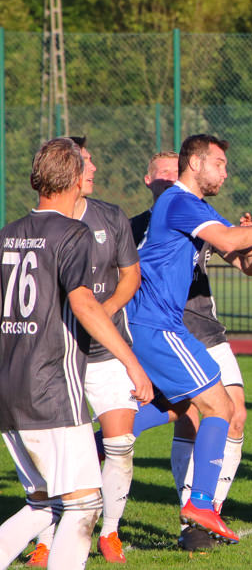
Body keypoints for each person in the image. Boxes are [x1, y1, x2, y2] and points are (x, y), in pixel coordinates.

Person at [125, 134, 252, 544]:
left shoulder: (192, 205)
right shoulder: (180, 201)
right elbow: (232, 240)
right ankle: (200, 504)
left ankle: (99, 440)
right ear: (196, 164)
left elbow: (240, 250)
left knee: (179, 405)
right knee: (219, 404)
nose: (225, 171)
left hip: (165, 326)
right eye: (219, 163)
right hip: (157, 325)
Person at [0, 138, 153, 570]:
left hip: (9, 389)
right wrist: (132, 362)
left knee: (45, 504)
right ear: (72, 179)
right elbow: (84, 303)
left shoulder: (7, 234)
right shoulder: (72, 233)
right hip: (51, 389)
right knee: (85, 504)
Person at [128, 151, 252, 551]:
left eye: (174, 171)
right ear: (148, 180)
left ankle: (207, 508)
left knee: (233, 414)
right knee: (182, 416)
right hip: (159, 333)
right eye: (161, 174)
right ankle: (192, 521)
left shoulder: (199, 213)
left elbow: (249, 267)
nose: (169, 178)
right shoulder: (132, 228)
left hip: (203, 330)